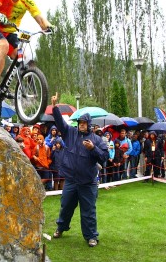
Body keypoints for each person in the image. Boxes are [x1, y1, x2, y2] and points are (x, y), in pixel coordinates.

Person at [51, 93, 108, 248]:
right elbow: (60, 122)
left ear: (89, 124)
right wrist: (55, 107)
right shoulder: (70, 133)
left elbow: (104, 157)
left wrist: (93, 148)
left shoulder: (97, 140)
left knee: (88, 211)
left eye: (84, 123)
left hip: (88, 183)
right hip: (71, 180)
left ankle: (91, 237)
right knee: (66, 207)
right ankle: (60, 228)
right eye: (79, 122)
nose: (81, 124)